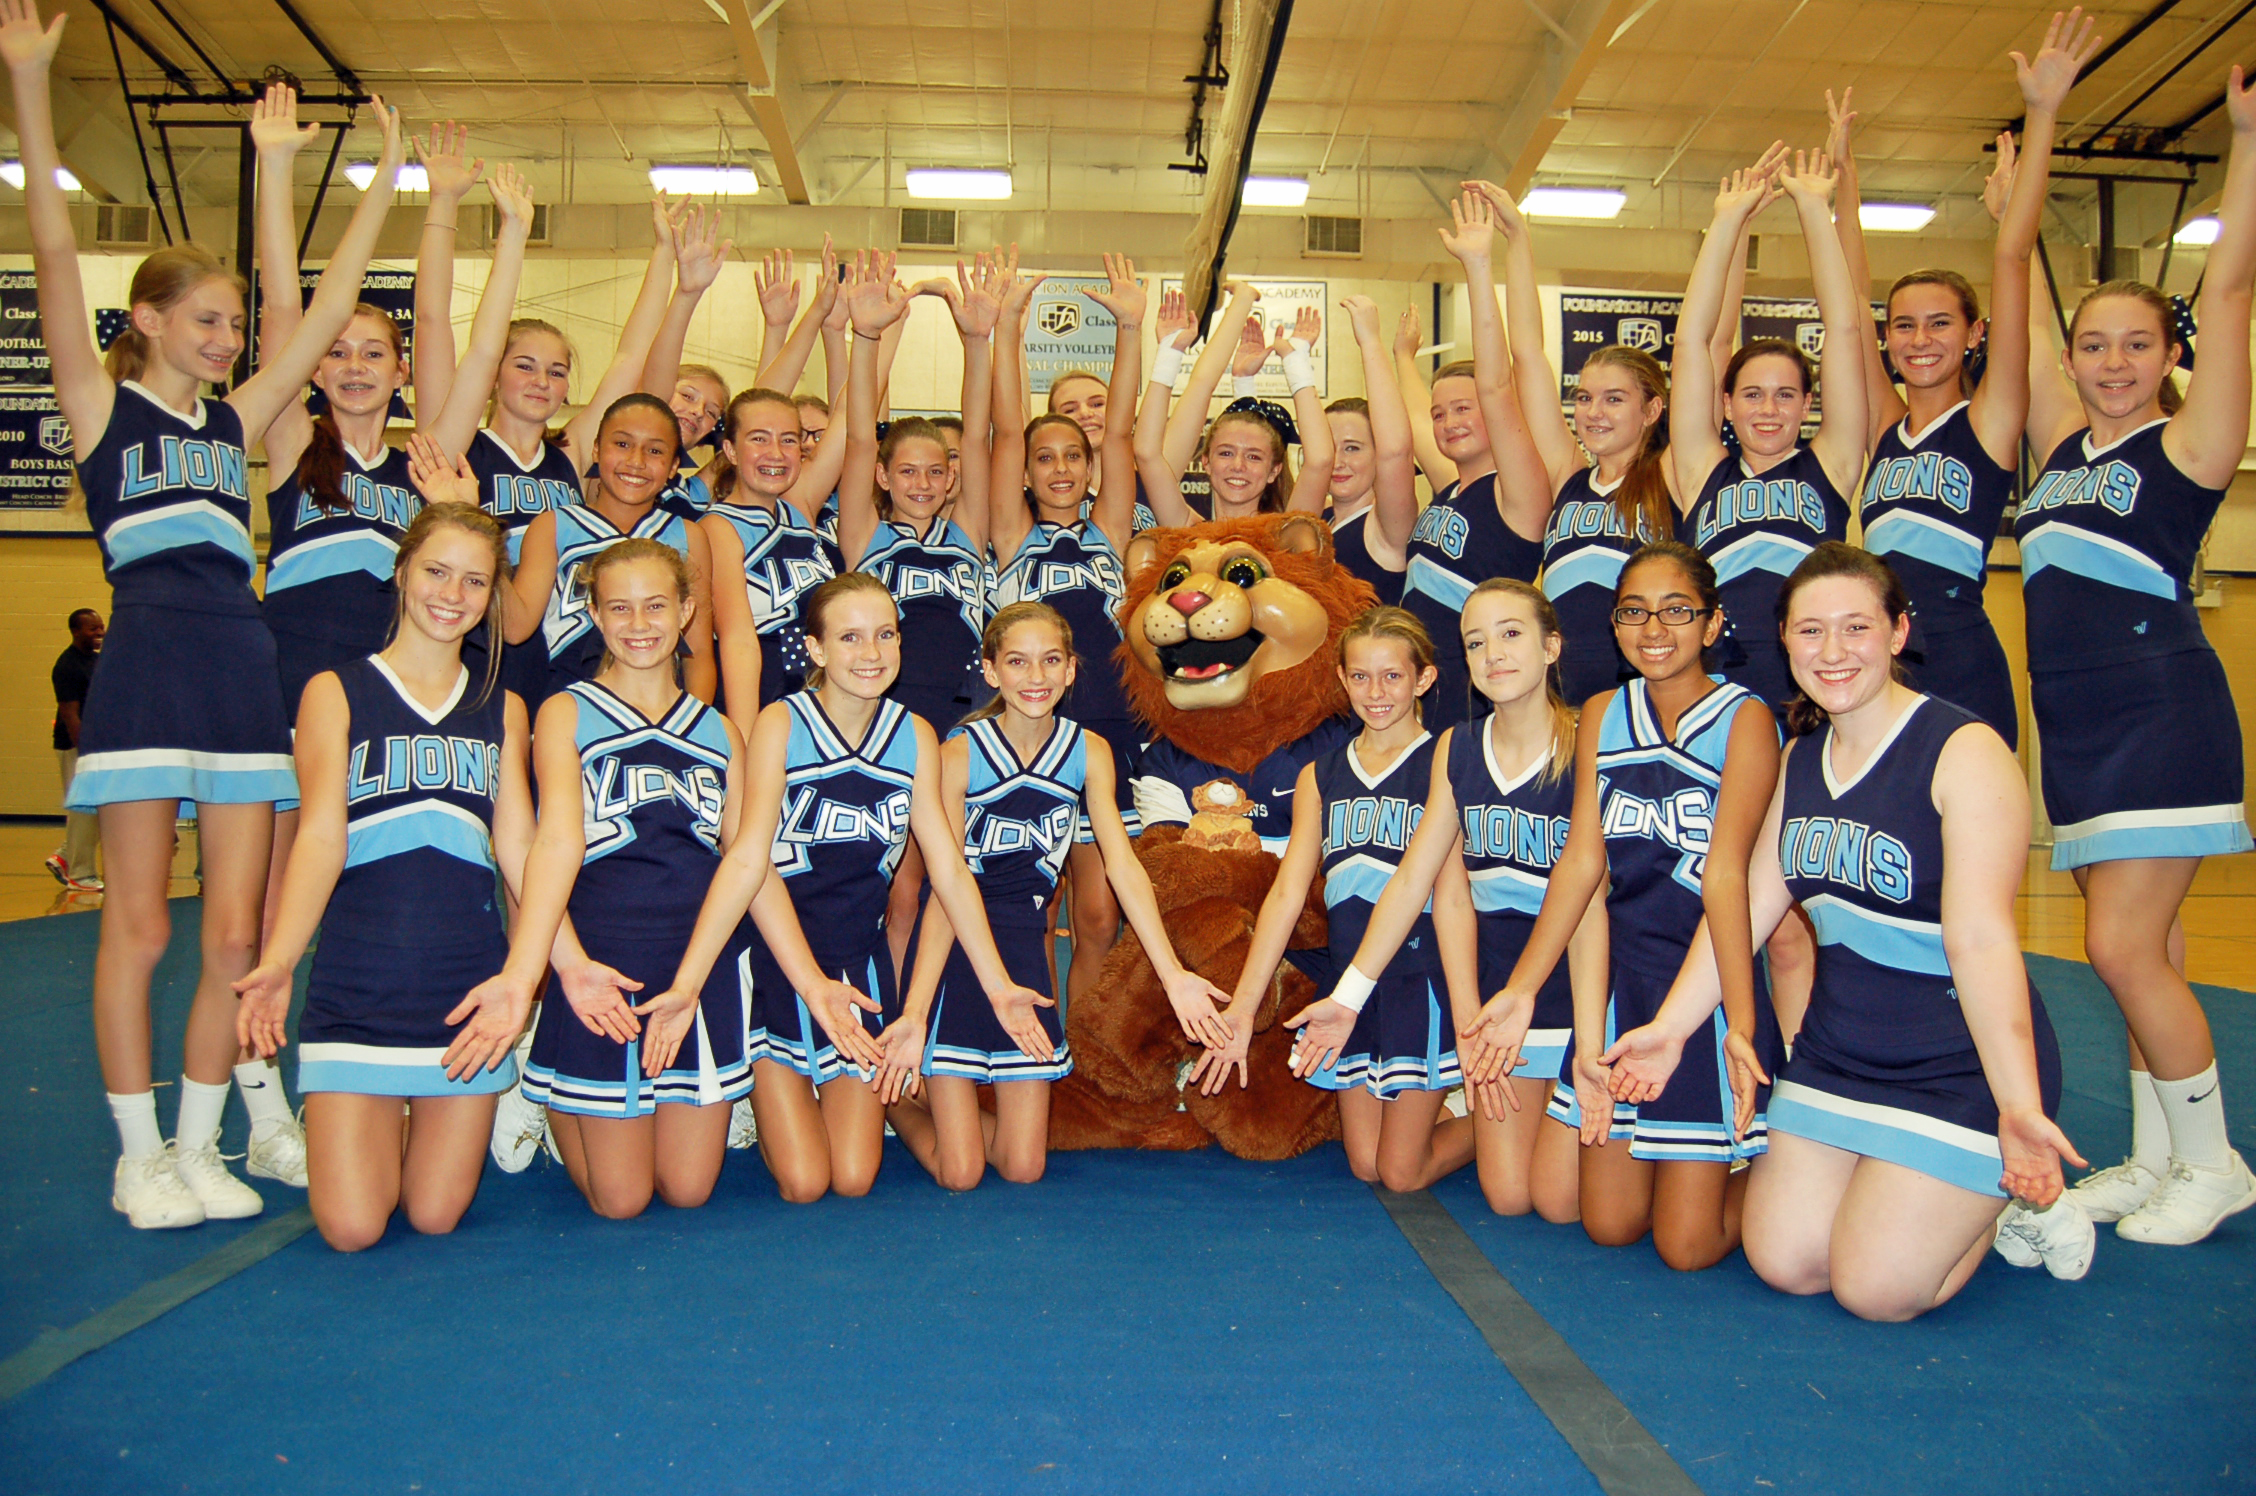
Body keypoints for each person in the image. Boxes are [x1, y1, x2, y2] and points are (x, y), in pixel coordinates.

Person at [8, 0, 406, 1228]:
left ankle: (201, 1143)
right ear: (149, 323)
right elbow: (57, 251)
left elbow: (325, 313)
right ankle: (138, 1153)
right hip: (148, 668)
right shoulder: (101, 409)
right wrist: (30, 82)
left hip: (243, 672)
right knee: (134, 923)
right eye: (208, 321)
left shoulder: (234, 427)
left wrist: (378, 182)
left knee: (235, 932)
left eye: (235, 325)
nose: (230, 339)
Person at [1600, 543, 2091, 1316]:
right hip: (1839, 1057)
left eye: (1856, 628)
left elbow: (1983, 941)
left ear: (1898, 633)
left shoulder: (1964, 752)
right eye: (1810, 632)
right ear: (1785, 643)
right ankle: (1925, 1195)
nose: (1833, 652)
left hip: (1956, 1066)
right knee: (1786, 1262)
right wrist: (1670, 1028)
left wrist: (2018, 1104)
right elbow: (1749, 908)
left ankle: (2008, 1199)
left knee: (1875, 1290)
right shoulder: (1799, 760)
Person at [2016, 66, 2256, 1245]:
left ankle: (2215, 1162)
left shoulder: (2191, 443)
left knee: (2118, 944)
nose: (2112, 362)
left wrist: (2247, 141)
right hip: (2075, 725)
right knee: (2140, 953)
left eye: (2136, 345)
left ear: (2170, 352)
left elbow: (2233, 277)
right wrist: (2040, 136)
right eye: (2094, 345)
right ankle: (2158, 1155)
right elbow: (2011, 283)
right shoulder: (2060, 448)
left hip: (2162, 712)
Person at [640, 572, 1051, 1203]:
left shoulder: (912, 734)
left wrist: (998, 989)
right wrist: (691, 983)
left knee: (855, 1179)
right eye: (851, 637)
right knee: (806, 1184)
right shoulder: (783, 722)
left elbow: (948, 868)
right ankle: (766, 1078)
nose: (872, 653)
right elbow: (749, 861)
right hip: (779, 963)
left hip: (858, 972)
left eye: (885, 635)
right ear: (817, 649)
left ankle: (881, 1102)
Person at [1461, 542, 1783, 1270]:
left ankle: (1775, 1162)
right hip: (1620, 981)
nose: (1654, 628)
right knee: (1606, 1224)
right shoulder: (1603, 712)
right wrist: (1521, 989)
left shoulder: (1747, 718)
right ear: (1613, 624)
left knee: (1686, 1246)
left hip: (1701, 987)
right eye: (1634, 612)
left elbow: (1728, 876)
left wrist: (1742, 1022)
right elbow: (1581, 861)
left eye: (1677, 611)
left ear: (1712, 623)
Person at [232, 503, 533, 1250]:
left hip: (464, 991)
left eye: (474, 580)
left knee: (434, 1214)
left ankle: (428, 1109)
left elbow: (522, 854)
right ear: (401, 573)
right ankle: (359, 1112)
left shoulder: (505, 707)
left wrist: (542, 977)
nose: (451, 594)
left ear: (491, 595)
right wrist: (277, 962)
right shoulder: (335, 690)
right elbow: (320, 840)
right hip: (357, 983)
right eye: (436, 571)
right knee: (354, 1228)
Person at [883, 603, 1233, 1189]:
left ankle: (948, 1109)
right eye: (1016, 662)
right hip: (956, 952)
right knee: (960, 1172)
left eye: (1050, 660)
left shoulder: (1088, 751)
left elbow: (1121, 865)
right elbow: (947, 889)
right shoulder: (957, 755)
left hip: (1025, 952)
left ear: (1072, 670)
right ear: (990, 671)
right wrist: (915, 1011)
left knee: (1024, 1167)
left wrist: (1172, 973)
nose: (1035, 676)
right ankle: (898, 1103)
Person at [1832, 14, 2096, 743]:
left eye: (1941, 323)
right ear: (1889, 340)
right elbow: (1853, 297)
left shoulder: (1990, 417)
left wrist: (2041, 118)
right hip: (1878, 655)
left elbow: (2010, 261)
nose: (1920, 340)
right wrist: (1844, 181)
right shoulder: (1886, 423)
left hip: (1959, 654)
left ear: (1976, 333)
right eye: (1906, 325)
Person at [489, 539, 753, 1218]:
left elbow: (745, 864)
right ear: (597, 618)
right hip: (605, 961)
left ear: (688, 610)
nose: (640, 624)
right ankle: (544, 1089)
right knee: (622, 1200)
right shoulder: (566, 712)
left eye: (657, 606)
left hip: (695, 965)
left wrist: (702, 980)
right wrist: (562, 967)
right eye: (620, 609)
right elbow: (553, 845)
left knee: (689, 1190)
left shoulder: (722, 731)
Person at [1321, 581, 1603, 1218]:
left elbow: (1591, 904)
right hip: (1495, 1000)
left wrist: (1590, 1040)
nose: (1494, 654)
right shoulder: (1459, 747)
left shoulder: (1587, 739)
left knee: (1559, 1204)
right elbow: (1421, 886)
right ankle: (1461, 1093)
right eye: (1477, 642)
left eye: (1512, 634)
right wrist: (1459, 1020)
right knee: (1509, 1198)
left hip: (1565, 990)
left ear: (1551, 646)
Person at [1203, 607, 1477, 1191]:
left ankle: (1503, 1116)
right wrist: (1244, 1008)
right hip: (1346, 977)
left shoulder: (1447, 761)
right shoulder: (1320, 775)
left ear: (1424, 679)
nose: (1375, 692)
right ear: (1342, 679)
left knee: (1401, 1173)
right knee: (1365, 1164)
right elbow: (1286, 893)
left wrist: (1466, 1007)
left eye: (1392, 676)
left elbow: (1451, 896)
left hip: (1417, 977)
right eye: (1359, 676)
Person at [985, 253, 1147, 1016]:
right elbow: (1005, 425)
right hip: (1027, 733)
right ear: (1024, 471)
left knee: (1098, 914)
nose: (1059, 467)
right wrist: (1009, 322)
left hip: (1109, 730)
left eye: (1071, 457)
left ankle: (1086, 1057)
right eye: (1043, 458)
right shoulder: (1012, 533)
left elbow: (1120, 433)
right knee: (1025, 912)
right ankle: (1022, 1047)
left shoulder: (1111, 532)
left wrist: (1130, 329)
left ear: (1089, 470)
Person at [831, 251, 994, 979]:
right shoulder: (866, 534)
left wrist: (979, 340)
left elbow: (987, 434)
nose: (923, 483)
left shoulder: (969, 532)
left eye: (937, 470)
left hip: (964, 719)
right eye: (907, 471)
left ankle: (944, 1019)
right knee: (900, 889)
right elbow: (861, 433)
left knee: (957, 880)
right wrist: (866, 340)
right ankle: (898, 1028)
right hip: (891, 713)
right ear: (880, 477)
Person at [1464, 182, 1679, 707]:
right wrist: (1517, 240)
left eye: (1613, 400)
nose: (1593, 413)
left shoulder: (1674, 475)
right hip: (1560, 694)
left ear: (1652, 410)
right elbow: (1528, 356)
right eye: (1584, 398)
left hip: (1641, 690)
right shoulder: (1569, 476)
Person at [1670, 147, 1865, 714]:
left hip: (1811, 682)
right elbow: (1690, 344)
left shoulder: (1830, 463)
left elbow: (1846, 330)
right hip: (1714, 683)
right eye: (1752, 394)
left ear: (1809, 403)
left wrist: (1813, 209)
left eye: (1786, 395)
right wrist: (1726, 223)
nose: (1769, 410)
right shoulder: (1702, 467)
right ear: (1726, 403)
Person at [1405, 194, 1554, 724]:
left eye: (1463, 409)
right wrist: (1400, 356)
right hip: (1413, 694)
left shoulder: (1518, 492)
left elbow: (1497, 383)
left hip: (1472, 696)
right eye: (1442, 414)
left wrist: (1478, 264)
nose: (1450, 424)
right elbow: (1415, 424)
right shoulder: (1449, 485)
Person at [502, 390, 717, 704]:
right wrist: (483, 537)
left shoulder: (688, 535)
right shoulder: (554, 526)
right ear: (596, 449)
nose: (636, 461)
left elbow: (697, 654)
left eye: (655, 451)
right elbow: (516, 629)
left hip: (659, 702)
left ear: (673, 466)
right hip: (568, 700)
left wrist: (695, 727)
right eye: (622, 444)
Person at [701, 384, 846, 735]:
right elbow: (738, 641)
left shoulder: (799, 509)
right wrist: (746, 740)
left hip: (819, 692)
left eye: (789, 440)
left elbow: (849, 419)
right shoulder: (716, 528)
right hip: (761, 694)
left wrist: (872, 337)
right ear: (730, 450)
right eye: (759, 439)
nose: (776, 453)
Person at [1134, 281, 1332, 524]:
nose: (1238, 466)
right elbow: (1146, 453)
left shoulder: (1288, 534)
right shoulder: (1187, 528)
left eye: (1254, 457)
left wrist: (1295, 361)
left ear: (1274, 471)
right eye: (1226, 453)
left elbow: (1321, 461)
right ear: (1206, 462)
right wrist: (1169, 354)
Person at [1322, 295, 1419, 606]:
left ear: (1378, 455)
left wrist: (1370, 343)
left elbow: (1397, 452)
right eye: (1329, 447)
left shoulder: (1385, 528)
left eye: (1353, 448)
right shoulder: (1320, 519)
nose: (1338, 461)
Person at [48, 606, 104, 892]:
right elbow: (70, 714)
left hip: (96, 744)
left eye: (101, 626)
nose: (100, 632)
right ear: (75, 631)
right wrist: (84, 752)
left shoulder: (94, 661)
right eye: (93, 628)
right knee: (84, 809)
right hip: (75, 745)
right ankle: (80, 874)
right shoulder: (67, 666)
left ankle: (65, 856)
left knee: (95, 808)